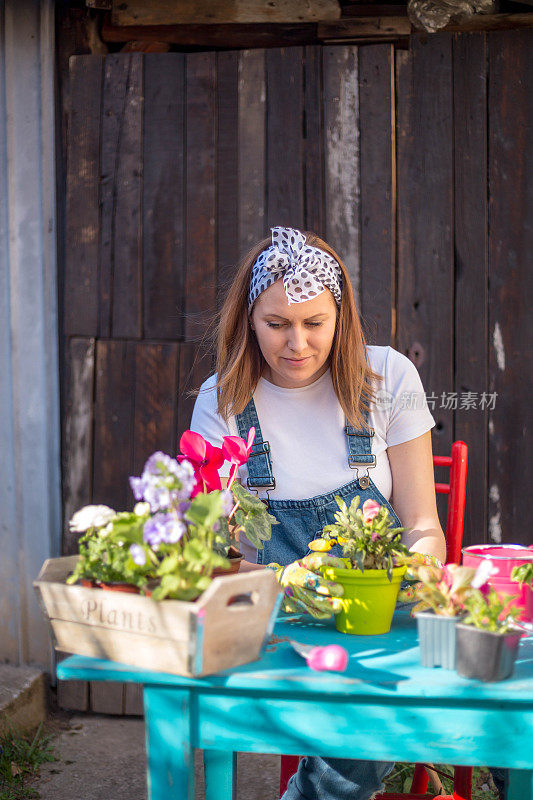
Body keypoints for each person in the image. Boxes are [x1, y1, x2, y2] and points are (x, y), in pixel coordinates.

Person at [190, 226, 446, 800]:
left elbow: (424, 529)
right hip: (279, 630)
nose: (296, 344)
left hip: (375, 616)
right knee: (362, 726)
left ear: (341, 316)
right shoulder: (224, 400)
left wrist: (407, 576)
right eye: (276, 324)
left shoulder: (388, 379)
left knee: (397, 703)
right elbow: (211, 549)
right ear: (249, 320)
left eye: (314, 323)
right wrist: (218, 545)